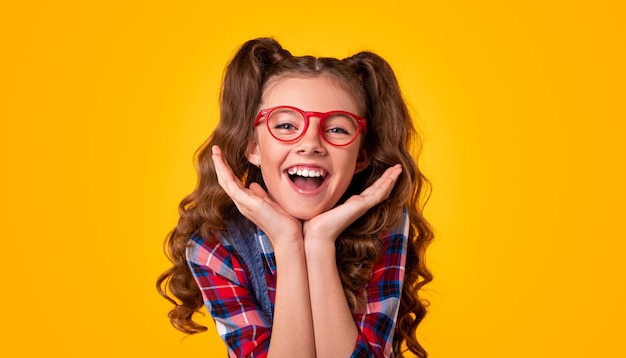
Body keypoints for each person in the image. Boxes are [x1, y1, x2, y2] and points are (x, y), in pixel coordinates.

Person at [157, 37, 434, 358]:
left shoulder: (383, 225)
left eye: (337, 130)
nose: (311, 143)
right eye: (287, 125)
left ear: (362, 155)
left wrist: (319, 243)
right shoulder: (214, 248)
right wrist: (289, 243)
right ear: (253, 147)